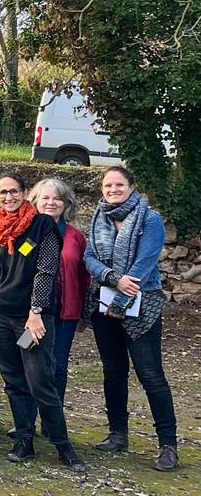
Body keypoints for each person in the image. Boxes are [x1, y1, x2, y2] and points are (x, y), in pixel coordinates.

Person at [0, 172, 86, 472]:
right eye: (3, 192)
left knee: (40, 379)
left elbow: (45, 270)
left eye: (14, 191)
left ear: (24, 192)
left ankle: (62, 445)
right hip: (1, 314)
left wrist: (36, 311)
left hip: (31, 318)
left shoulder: (41, 225)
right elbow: (0, 271)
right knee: (13, 379)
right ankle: (24, 440)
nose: (9, 197)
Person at [83, 166, 178, 471]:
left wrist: (123, 295)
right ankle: (118, 433)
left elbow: (145, 262)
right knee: (113, 371)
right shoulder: (99, 217)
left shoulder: (149, 219)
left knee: (150, 375)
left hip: (141, 305)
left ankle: (168, 444)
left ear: (131, 186)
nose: (112, 190)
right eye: (108, 185)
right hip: (104, 302)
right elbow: (89, 258)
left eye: (119, 185)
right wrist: (111, 277)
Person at [28, 178, 89, 408]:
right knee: (29, 361)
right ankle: (27, 418)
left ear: (66, 203)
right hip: (32, 314)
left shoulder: (75, 237)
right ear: (35, 201)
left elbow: (84, 276)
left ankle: (53, 419)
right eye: (45, 197)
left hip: (65, 315)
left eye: (57, 198)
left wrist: (82, 311)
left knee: (58, 365)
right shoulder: (27, 232)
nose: (51, 203)